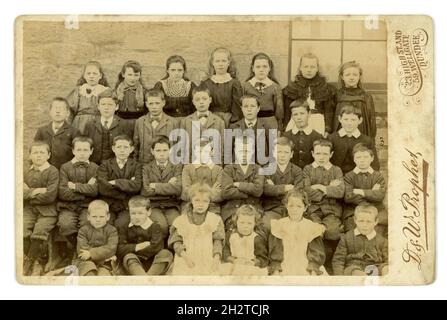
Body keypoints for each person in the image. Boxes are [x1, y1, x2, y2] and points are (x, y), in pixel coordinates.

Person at [168, 183, 225, 275]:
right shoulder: (182, 220)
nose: (200, 204)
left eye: (205, 201)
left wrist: (216, 258)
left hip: (208, 258)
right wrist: (185, 257)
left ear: (209, 202)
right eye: (197, 200)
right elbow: (176, 242)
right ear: (191, 200)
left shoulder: (215, 220)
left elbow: (218, 241)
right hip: (186, 258)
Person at [57, 136, 99, 260]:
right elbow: (63, 193)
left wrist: (74, 186)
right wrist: (86, 188)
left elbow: (95, 191)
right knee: (66, 225)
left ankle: (80, 254)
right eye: (79, 150)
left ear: (91, 151)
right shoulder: (65, 167)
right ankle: (77, 248)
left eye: (85, 150)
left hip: (87, 206)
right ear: (73, 151)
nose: (82, 153)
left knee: (87, 223)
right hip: (68, 206)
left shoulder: (95, 168)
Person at [23, 141, 59, 276]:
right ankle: (35, 260)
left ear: (48, 155)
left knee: (40, 230)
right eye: (35, 152)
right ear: (30, 155)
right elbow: (19, 192)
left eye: (42, 152)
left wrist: (29, 193)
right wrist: (38, 191)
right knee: (22, 229)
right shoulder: (26, 171)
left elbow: (50, 196)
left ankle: (31, 261)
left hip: (48, 211)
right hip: (29, 210)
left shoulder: (53, 171)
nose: (38, 156)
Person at [270, 190, 326, 275]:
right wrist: (276, 269)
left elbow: (315, 251)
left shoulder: (311, 227)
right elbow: (276, 251)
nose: (294, 210)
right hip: (284, 264)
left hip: (305, 265)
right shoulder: (280, 225)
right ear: (286, 206)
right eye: (291, 206)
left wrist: (313, 270)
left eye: (299, 206)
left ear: (305, 208)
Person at [116, 196, 173, 275]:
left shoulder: (155, 226)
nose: (136, 217)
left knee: (166, 253)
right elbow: (120, 249)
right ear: (129, 212)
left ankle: (147, 278)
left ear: (149, 212)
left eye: (140, 213)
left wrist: (130, 248)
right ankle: (144, 278)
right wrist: (137, 246)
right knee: (128, 257)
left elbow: (157, 247)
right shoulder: (124, 227)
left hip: (154, 261)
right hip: (135, 262)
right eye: (133, 213)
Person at [283, 53, 335, 136]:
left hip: (317, 120)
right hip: (296, 120)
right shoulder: (292, 87)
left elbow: (329, 111)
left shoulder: (325, 87)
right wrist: (285, 127)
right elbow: (287, 111)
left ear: (317, 68)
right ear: (300, 67)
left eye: (312, 67)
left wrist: (328, 129)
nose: (309, 70)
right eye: (305, 66)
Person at [141, 136, 182, 240]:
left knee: (176, 225)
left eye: (165, 150)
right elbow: (146, 190)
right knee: (161, 226)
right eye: (158, 150)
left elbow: (178, 189)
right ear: (152, 151)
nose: (162, 153)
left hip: (171, 204)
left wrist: (155, 185)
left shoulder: (176, 167)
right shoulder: (146, 168)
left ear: (170, 150)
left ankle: (173, 250)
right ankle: (160, 250)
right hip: (154, 205)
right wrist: (168, 185)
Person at [97, 135, 142, 229]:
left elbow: (137, 186)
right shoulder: (105, 165)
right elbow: (103, 188)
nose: (122, 150)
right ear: (113, 148)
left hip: (127, 206)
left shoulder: (137, 166)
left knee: (123, 224)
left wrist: (116, 182)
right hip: (109, 205)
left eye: (125, 147)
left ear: (131, 149)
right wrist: (128, 185)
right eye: (119, 147)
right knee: (106, 225)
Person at [332, 204, 388, 276]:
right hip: (353, 268)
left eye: (368, 222)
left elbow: (387, 260)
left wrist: (385, 268)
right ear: (355, 220)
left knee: (386, 268)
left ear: (376, 221)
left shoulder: (382, 241)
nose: (364, 225)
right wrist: (339, 277)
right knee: (356, 272)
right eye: (361, 221)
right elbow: (338, 260)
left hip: (375, 267)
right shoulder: (346, 238)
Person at [344, 143, 387, 235]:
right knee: (353, 231)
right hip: (353, 210)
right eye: (358, 157)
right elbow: (348, 197)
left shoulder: (378, 176)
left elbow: (379, 196)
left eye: (365, 157)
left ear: (372, 158)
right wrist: (371, 193)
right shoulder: (348, 176)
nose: (362, 160)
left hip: (376, 210)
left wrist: (359, 191)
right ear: (354, 159)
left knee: (377, 231)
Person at [262, 136, 303, 231]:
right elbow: (265, 190)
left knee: (295, 228)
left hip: (292, 208)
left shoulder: (297, 171)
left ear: (291, 154)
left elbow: (298, 191)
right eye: (279, 152)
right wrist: (286, 188)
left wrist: (275, 188)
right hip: (271, 207)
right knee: (268, 226)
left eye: (286, 152)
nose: (282, 155)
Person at [84, 88, 133, 165]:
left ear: (116, 107)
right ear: (98, 106)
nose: (106, 108)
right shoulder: (90, 124)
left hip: (116, 166)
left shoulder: (125, 125)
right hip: (94, 165)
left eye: (110, 104)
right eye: (103, 104)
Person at [328, 104, 379, 174]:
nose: (349, 123)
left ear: (360, 120)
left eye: (353, 120)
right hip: (336, 177)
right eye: (346, 119)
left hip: (358, 178)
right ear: (340, 119)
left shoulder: (367, 141)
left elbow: (375, 165)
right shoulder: (332, 138)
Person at [133, 88, 179, 164]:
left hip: (166, 165)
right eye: (151, 103)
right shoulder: (140, 122)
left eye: (157, 103)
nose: (154, 107)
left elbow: (177, 148)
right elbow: (136, 147)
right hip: (144, 165)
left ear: (163, 103)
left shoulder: (173, 122)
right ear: (146, 104)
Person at [333, 61, 377, 139]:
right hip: (340, 136)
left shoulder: (366, 96)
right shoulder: (336, 95)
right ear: (342, 77)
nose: (351, 77)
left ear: (359, 76)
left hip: (361, 135)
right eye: (347, 74)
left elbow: (371, 120)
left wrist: (371, 139)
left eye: (355, 74)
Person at [200, 47, 243, 127]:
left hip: (229, 121)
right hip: (210, 120)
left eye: (223, 61)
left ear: (228, 63)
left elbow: (237, 109)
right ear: (212, 63)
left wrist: (232, 122)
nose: (220, 64)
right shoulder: (206, 83)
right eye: (217, 61)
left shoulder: (234, 83)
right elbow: (201, 104)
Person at [34, 97, 80, 169]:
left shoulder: (74, 132)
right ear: (50, 112)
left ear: (67, 113)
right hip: (45, 170)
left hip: (66, 171)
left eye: (61, 109)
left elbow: (78, 155)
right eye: (55, 108)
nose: (58, 111)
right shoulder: (41, 131)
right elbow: (35, 151)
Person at [75, 200, 118, 276]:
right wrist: (103, 257)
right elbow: (83, 251)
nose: (98, 220)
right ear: (88, 216)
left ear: (108, 217)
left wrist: (91, 253)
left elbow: (111, 248)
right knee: (89, 273)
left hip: (105, 264)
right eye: (94, 216)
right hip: (86, 262)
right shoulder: (83, 231)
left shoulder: (112, 231)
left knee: (104, 276)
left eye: (101, 217)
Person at [242, 52, 283, 130]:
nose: (261, 70)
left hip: (270, 123)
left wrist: (279, 129)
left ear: (269, 68)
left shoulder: (275, 87)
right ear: (253, 68)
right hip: (251, 123)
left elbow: (279, 111)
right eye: (258, 67)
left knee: (270, 142)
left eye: (265, 66)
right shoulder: (245, 86)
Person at [67, 61, 110, 133]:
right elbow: (70, 111)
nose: (91, 76)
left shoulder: (105, 91)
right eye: (88, 73)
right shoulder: (79, 90)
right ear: (84, 75)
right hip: (80, 124)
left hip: (99, 123)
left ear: (100, 76)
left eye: (95, 73)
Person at [283, 99, 323, 169]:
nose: (299, 117)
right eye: (295, 114)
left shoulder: (317, 136)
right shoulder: (286, 136)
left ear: (309, 114)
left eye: (302, 113)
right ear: (292, 117)